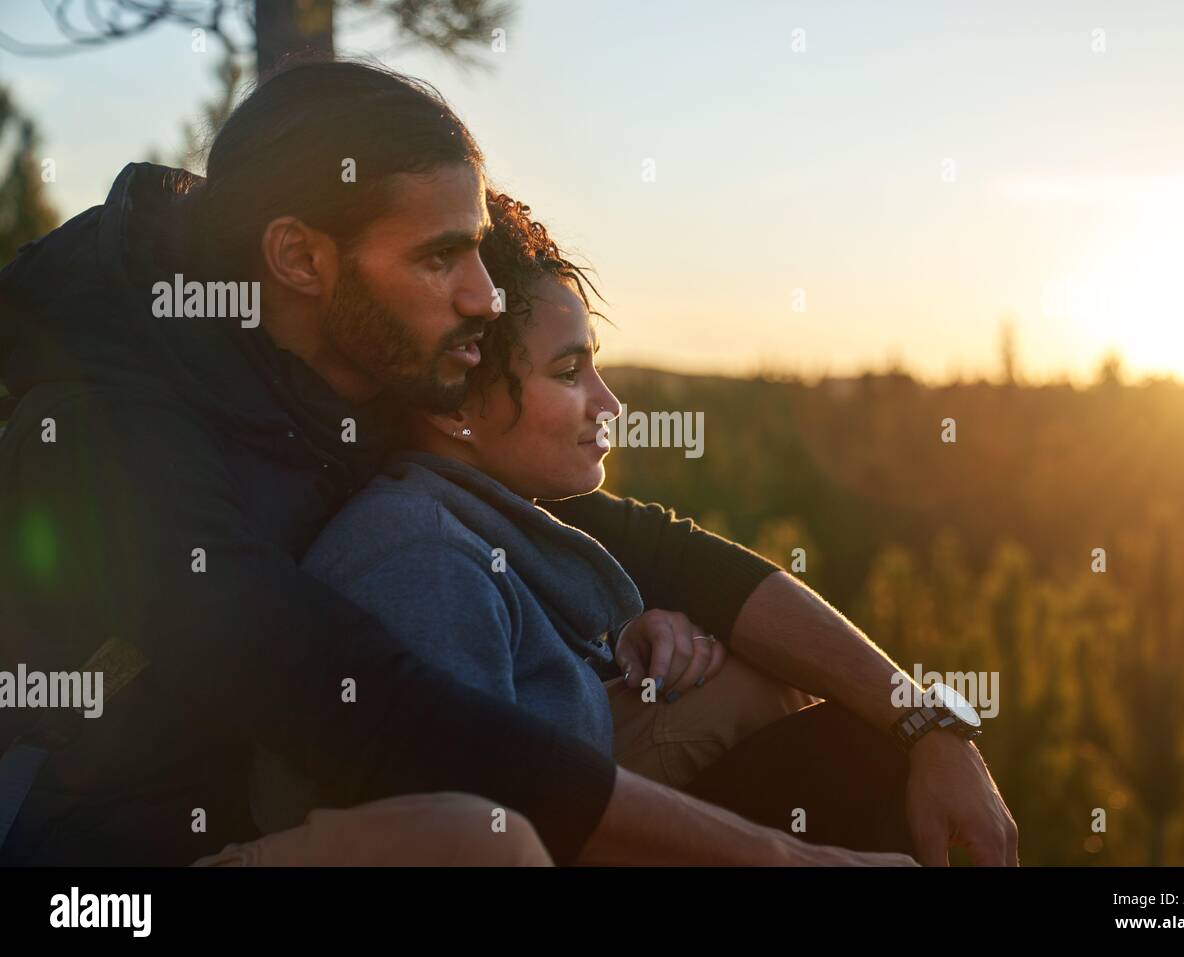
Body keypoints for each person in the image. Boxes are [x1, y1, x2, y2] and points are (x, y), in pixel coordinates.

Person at [0, 58, 1016, 867]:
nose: (485, 297)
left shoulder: (342, 357)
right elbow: (380, 717)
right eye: (441, 257)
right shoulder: (115, 431)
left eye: (477, 249)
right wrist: (783, 861)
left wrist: (932, 724)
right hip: (107, 860)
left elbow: (646, 541)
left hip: (343, 784)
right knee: (470, 843)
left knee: (822, 724)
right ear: (300, 258)